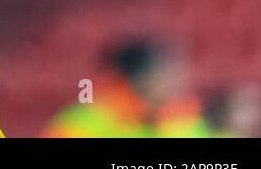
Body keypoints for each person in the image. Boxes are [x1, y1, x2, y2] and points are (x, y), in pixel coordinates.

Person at [43, 39, 212, 137]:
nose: (177, 84)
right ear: (139, 79)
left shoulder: (185, 119)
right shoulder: (88, 121)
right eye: (167, 77)